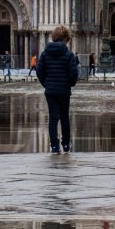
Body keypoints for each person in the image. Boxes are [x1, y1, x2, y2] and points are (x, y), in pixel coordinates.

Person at [36, 25, 79, 154]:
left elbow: (39, 71)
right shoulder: (69, 54)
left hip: (50, 91)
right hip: (64, 91)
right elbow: (73, 73)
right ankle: (66, 144)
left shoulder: (44, 53)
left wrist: (46, 84)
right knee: (65, 117)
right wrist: (70, 84)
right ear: (66, 38)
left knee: (53, 118)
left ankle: (54, 146)